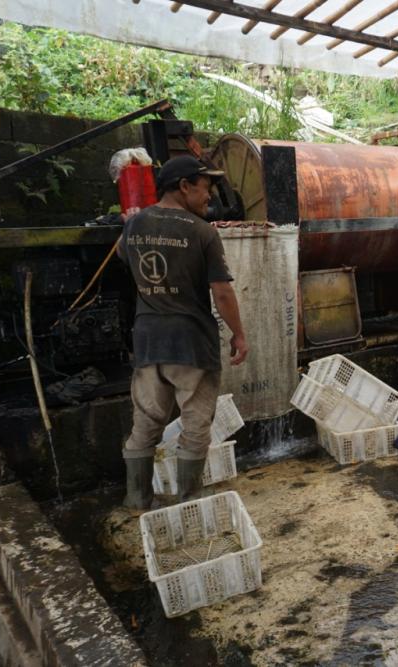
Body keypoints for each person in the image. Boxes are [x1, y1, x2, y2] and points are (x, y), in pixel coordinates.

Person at [118, 155, 248, 509]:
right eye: (205, 188)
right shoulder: (201, 231)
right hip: (190, 342)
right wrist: (239, 334)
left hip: (148, 342)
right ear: (185, 186)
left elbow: (123, 258)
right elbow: (221, 291)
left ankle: (137, 498)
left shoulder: (134, 224)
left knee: (146, 420)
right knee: (195, 423)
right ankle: (189, 498)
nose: (209, 196)